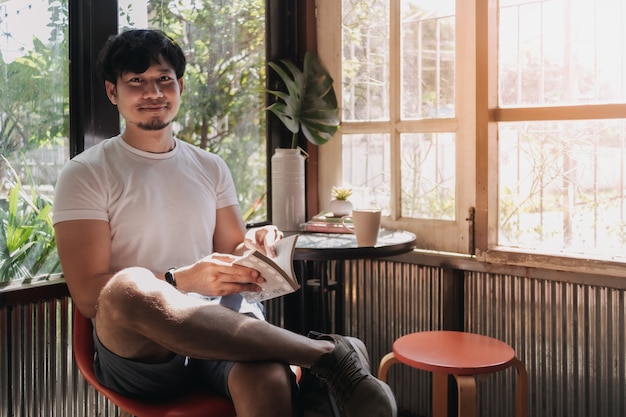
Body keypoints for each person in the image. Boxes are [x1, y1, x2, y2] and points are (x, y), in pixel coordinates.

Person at [52, 29, 397, 417]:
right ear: (113, 92)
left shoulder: (209, 166)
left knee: (267, 379)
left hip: (222, 325)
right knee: (125, 287)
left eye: (164, 79)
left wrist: (255, 245)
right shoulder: (85, 173)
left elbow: (233, 248)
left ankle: (327, 361)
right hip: (145, 349)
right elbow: (87, 295)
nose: (153, 92)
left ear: (180, 86)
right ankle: (328, 355)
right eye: (136, 81)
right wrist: (180, 280)